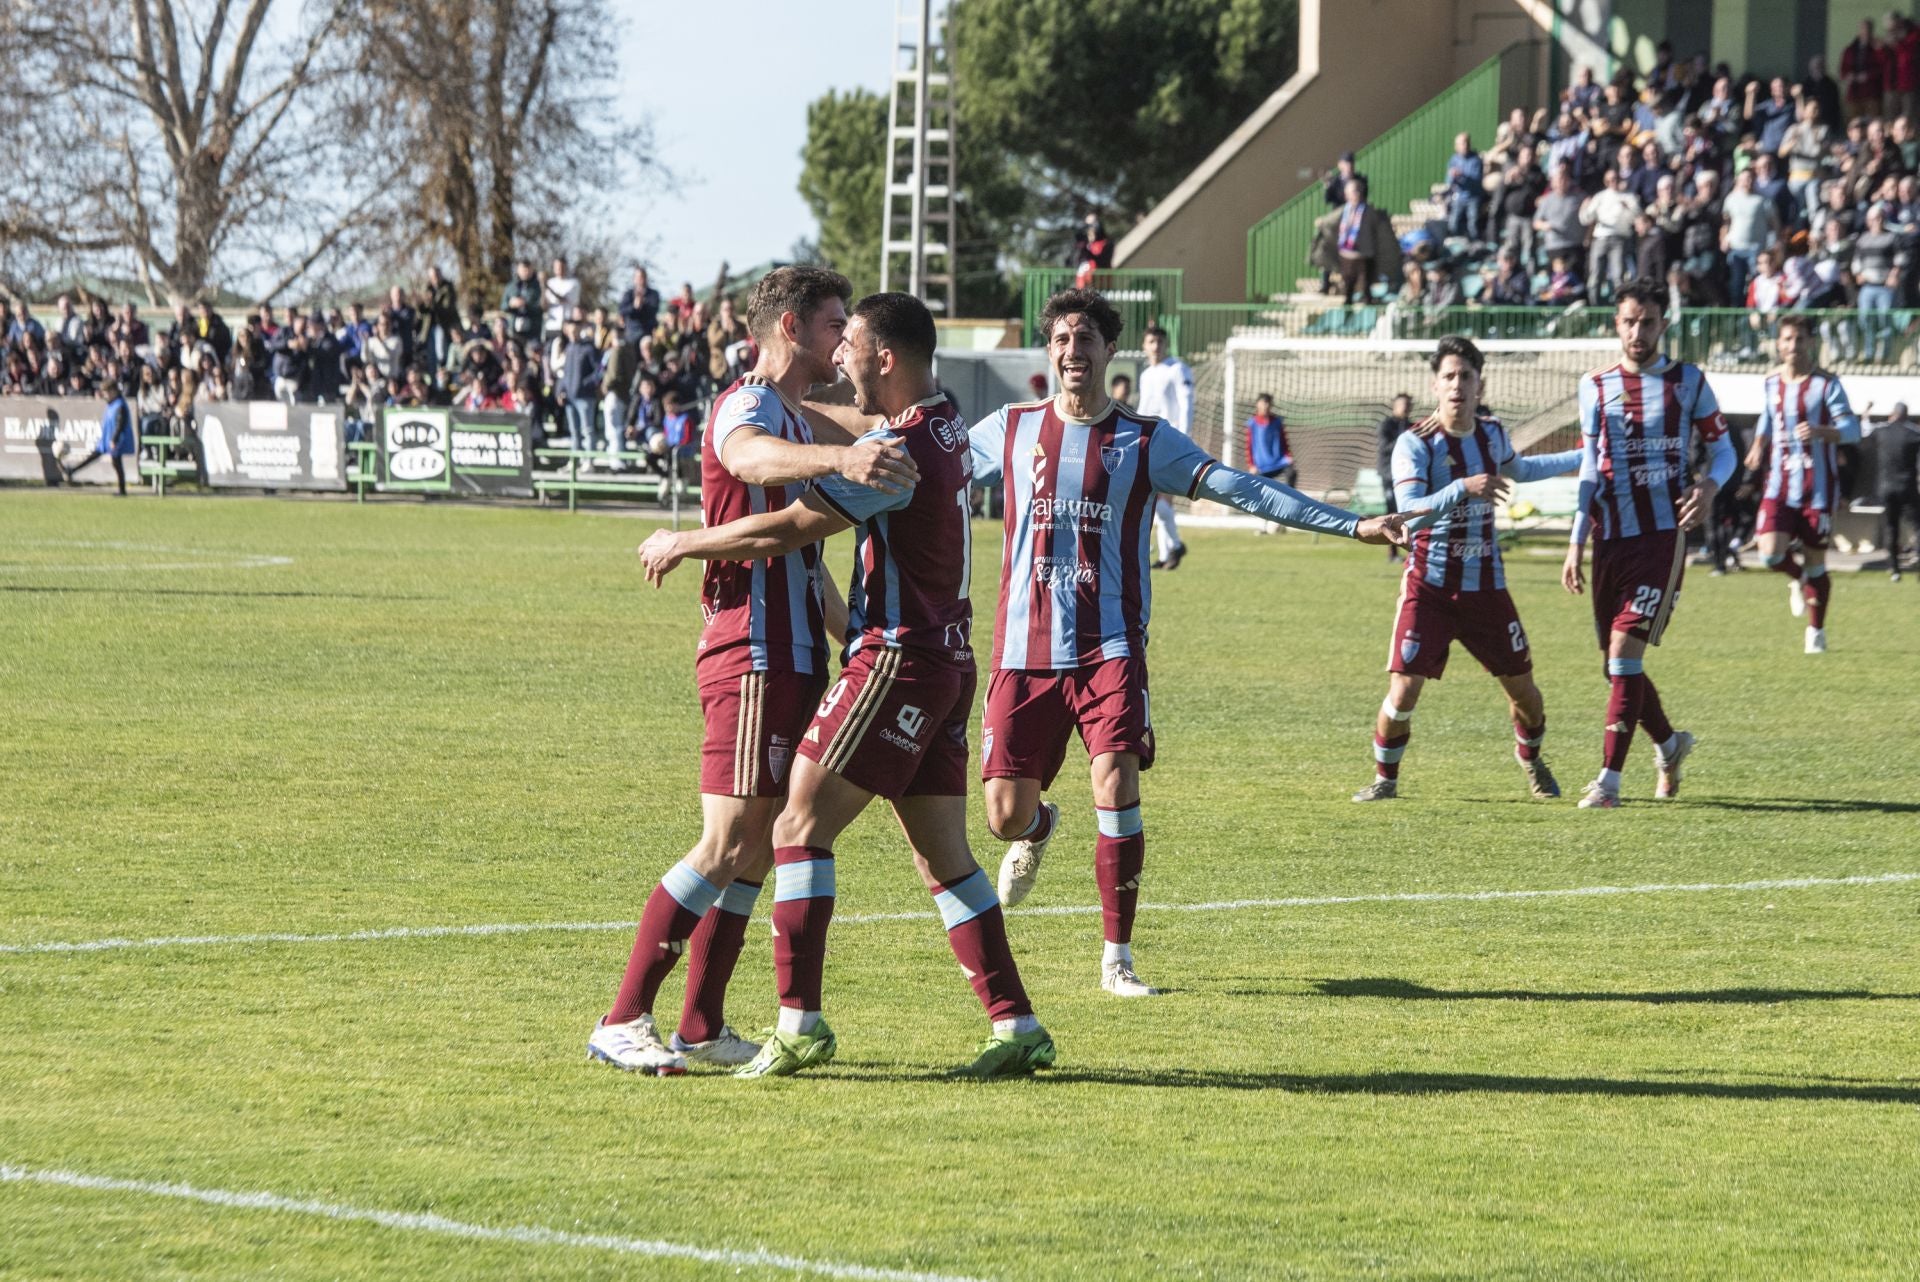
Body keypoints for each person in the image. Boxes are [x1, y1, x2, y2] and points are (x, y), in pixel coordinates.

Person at [638, 292, 1055, 1080]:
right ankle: (1017, 1023)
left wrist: (684, 540)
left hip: (897, 659)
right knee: (945, 859)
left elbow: (788, 529)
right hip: (949, 662)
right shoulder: (942, 431)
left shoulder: (897, 453)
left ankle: (799, 1023)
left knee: (795, 827)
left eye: (852, 343)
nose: (842, 359)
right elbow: (830, 440)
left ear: (885, 356)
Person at [968, 288, 1405, 996]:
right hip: (1023, 653)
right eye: (1063, 339)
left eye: (1087, 340)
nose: (1074, 350)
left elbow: (1245, 490)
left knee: (1116, 781)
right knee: (1003, 816)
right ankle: (1040, 825)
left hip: (1109, 648)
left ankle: (1118, 957)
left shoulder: (1144, 441)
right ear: (1049, 351)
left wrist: (1353, 525)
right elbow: (922, 467)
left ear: (1112, 353)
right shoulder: (1009, 429)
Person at [585, 267, 916, 1077]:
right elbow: (748, 457)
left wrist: (856, 634)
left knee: (761, 847)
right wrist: (840, 457)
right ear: (792, 328)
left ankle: (700, 1023)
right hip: (751, 651)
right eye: (836, 321)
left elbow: (804, 552)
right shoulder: (750, 402)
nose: (845, 336)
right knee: (726, 837)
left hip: (797, 651)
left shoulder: (800, 415)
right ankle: (622, 1017)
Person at [1353, 337, 1580, 803]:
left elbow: (1521, 468)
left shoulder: (1492, 434)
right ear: (1435, 385)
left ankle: (1532, 759)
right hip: (1429, 586)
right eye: (1449, 376)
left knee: (1526, 695)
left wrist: (1586, 457)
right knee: (1403, 690)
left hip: (1487, 590)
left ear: (1481, 384)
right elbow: (1410, 512)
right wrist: (1462, 487)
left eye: (1466, 376)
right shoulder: (1414, 444)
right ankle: (1385, 779)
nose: (1458, 385)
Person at [1563, 280, 1736, 809]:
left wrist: (1709, 485)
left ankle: (1609, 783)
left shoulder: (1688, 382)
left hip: (1663, 537)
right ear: (1616, 324)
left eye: (1648, 321)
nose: (1638, 332)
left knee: (1623, 653)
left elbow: (1725, 450)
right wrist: (1576, 540)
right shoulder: (1595, 386)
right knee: (1617, 666)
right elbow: (1591, 466)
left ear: (1664, 324)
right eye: (1629, 321)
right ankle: (1669, 744)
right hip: (1608, 537)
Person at [1743, 315, 1860, 654]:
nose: (1793, 346)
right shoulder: (1770, 383)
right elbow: (1768, 415)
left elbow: (1853, 430)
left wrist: (1824, 431)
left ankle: (1816, 633)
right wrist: (1758, 444)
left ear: (1811, 342)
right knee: (1769, 555)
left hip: (1817, 491)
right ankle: (1799, 580)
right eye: (1787, 339)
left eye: (1799, 339)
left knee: (1817, 561)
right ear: (1778, 344)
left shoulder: (1826, 385)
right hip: (1778, 486)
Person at [1135, 326, 1194, 570]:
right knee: (1155, 501)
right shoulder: (1147, 374)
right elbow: (1143, 408)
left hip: (1170, 441)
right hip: (1147, 443)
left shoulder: (1177, 368)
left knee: (1159, 499)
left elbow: (1187, 402)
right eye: (1151, 341)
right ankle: (1169, 550)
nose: (1156, 346)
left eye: (1159, 341)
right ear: (1144, 346)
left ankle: (1174, 546)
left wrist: (1184, 438)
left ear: (1165, 344)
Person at [1866, 401, 1920, 579]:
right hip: (1907, 487)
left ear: (1892, 414)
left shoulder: (1881, 431)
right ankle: (1918, 556)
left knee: (1891, 527)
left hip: (1886, 487)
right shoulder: (1913, 434)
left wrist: (1866, 412)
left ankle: (1894, 568)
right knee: (1917, 525)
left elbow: (1863, 430)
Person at [62, 378, 137, 495]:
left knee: (116, 463)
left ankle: (122, 490)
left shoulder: (120, 405)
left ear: (113, 391)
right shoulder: (112, 404)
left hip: (115, 440)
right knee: (96, 456)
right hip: (107, 438)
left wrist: (114, 439)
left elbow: (120, 424)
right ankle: (71, 471)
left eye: (106, 393)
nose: (105, 396)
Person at [1377, 393, 1414, 562]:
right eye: (1402, 404)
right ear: (1395, 406)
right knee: (1392, 512)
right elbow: (1384, 447)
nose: (1405, 408)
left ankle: (1411, 550)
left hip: (1408, 476)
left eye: (1408, 404)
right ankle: (1392, 553)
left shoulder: (1412, 426)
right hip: (1389, 475)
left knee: (1408, 512)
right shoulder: (1387, 425)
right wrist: (1404, 440)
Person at [1445, 132, 1486, 244]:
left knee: (1473, 224)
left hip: (1473, 196)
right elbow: (1448, 180)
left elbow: (1476, 179)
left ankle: (1475, 246)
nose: (1464, 146)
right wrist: (1452, 176)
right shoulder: (1453, 160)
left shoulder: (1476, 160)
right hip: (1459, 196)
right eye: (1461, 143)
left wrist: (1461, 175)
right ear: (1456, 146)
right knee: (1453, 223)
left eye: (1466, 143)